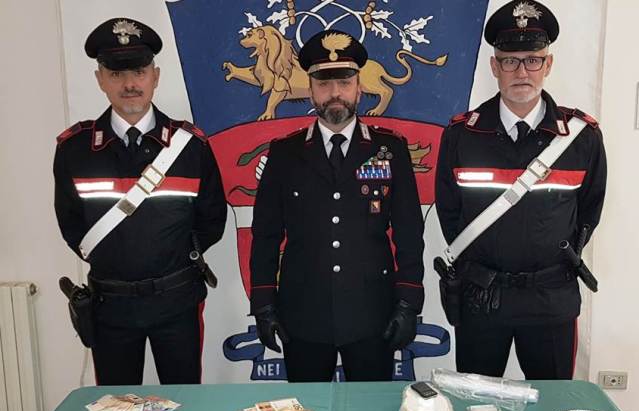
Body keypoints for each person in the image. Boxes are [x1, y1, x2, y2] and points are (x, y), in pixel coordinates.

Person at [435, 0, 606, 380]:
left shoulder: (581, 138)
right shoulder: (462, 135)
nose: (522, 71)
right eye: (510, 61)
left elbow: (589, 210)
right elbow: (449, 211)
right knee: (475, 402)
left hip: (551, 297)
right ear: (494, 67)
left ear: (548, 64)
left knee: (553, 402)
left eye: (532, 60)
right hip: (483, 296)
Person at [54, 17, 227, 385]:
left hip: (177, 301)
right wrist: (118, 260)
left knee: (184, 402)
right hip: (110, 305)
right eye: (116, 74)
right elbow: (71, 223)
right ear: (100, 79)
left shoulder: (191, 148)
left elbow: (212, 219)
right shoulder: (74, 151)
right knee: (114, 405)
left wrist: (174, 259)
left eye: (139, 71)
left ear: (155, 76)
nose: (129, 84)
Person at [249, 29, 425, 382]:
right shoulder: (285, 154)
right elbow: (266, 235)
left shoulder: (389, 150)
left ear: (359, 87)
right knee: (307, 409)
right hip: (303, 315)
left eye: (344, 82)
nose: (334, 93)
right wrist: (264, 304)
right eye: (323, 83)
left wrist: (408, 301)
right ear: (310, 89)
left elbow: (409, 232)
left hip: (372, 314)